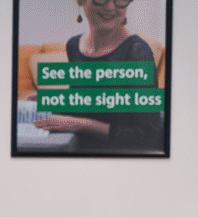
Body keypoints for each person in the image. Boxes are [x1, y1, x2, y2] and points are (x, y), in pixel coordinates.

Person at [33, 0, 164, 153]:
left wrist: (82, 124)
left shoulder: (137, 52)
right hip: (75, 151)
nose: (110, 7)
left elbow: (149, 136)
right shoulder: (74, 45)